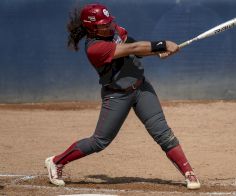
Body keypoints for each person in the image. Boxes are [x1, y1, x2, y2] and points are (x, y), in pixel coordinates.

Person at [44, 3, 200, 190]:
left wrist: (157, 53)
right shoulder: (96, 48)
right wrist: (162, 44)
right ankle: (56, 161)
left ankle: (188, 172)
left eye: (109, 21)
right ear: (92, 27)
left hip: (141, 88)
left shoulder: (115, 31)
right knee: (99, 141)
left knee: (163, 133)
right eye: (103, 24)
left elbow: (136, 50)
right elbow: (132, 48)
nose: (109, 26)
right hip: (117, 95)